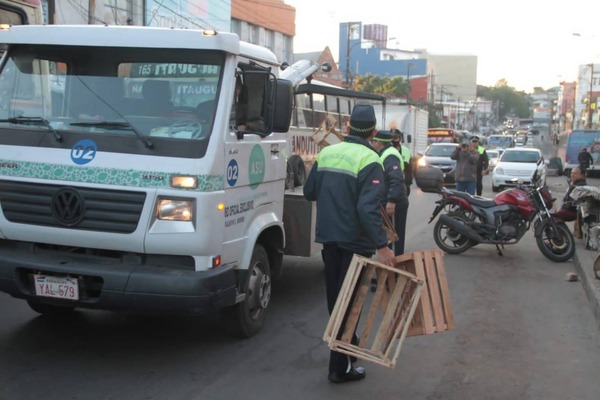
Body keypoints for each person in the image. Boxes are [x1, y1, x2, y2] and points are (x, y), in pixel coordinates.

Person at [303, 104, 396, 384]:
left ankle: (347, 344)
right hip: (355, 243)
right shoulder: (370, 160)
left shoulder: (327, 152)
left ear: (347, 128)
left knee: (337, 301)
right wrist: (383, 246)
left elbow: (309, 192)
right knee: (350, 303)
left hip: (329, 240)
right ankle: (339, 368)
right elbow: (367, 209)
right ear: (373, 132)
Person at [371, 130, 409, 256]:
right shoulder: (385, 153)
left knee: (395, 235)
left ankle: (397, 263)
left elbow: (396, 179)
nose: (372, 144)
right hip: (390, 199)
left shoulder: (390, 156)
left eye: (373, 141)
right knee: (389, 234)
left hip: (395, 201)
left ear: (379, 143)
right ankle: (392, 264)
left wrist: (391, 201)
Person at [390, 128, 413, 197]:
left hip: (403, 185)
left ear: (400, 139)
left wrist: (407, 184)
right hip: (390, 184)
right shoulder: (386, 150)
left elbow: (409, 169)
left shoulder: (406, 151)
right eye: (391, 138)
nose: (392, 140)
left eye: (395, 138)